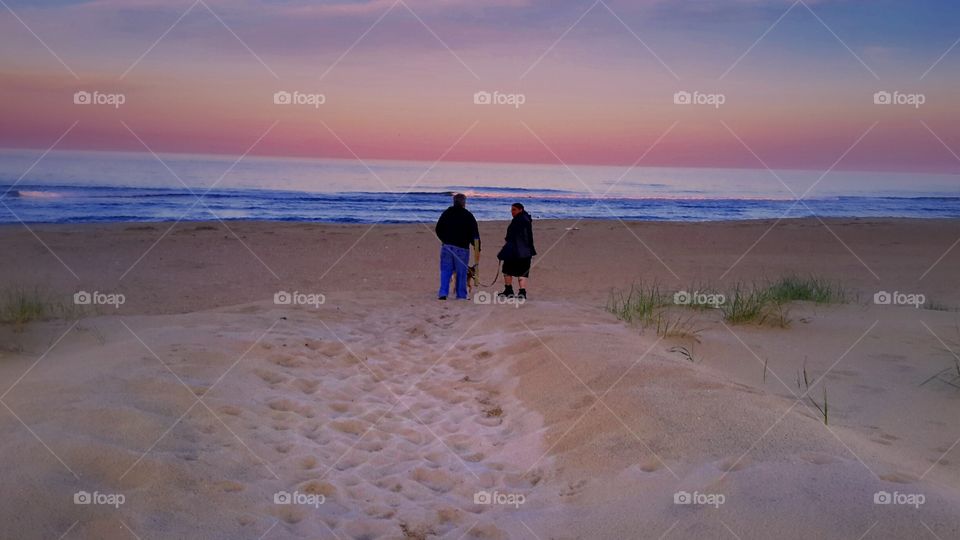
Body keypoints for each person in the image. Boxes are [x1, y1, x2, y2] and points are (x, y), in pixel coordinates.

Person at [435, 193, 480, 300]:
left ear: (454, 202)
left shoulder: (447, 213)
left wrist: (444, 239)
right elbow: (474, 234)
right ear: (464, 203)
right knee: (461, 272)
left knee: (446, 271)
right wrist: (477, 246)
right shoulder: (468, 215)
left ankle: (443, 293)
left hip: (447, 246)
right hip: (462, 247)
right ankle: (461, 294)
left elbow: (438, 229)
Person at [497, 203, 535, 299]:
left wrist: (504, 250)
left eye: (514, 210)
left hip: (516, 250)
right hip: (526, 251)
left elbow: (511, 237)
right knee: (523, 271)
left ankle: (509, 290)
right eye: (511, 210)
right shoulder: (526, 219)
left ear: (520, 209)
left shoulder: (518, 220)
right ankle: (521, 292)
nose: (512, 212)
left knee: (507, 269)